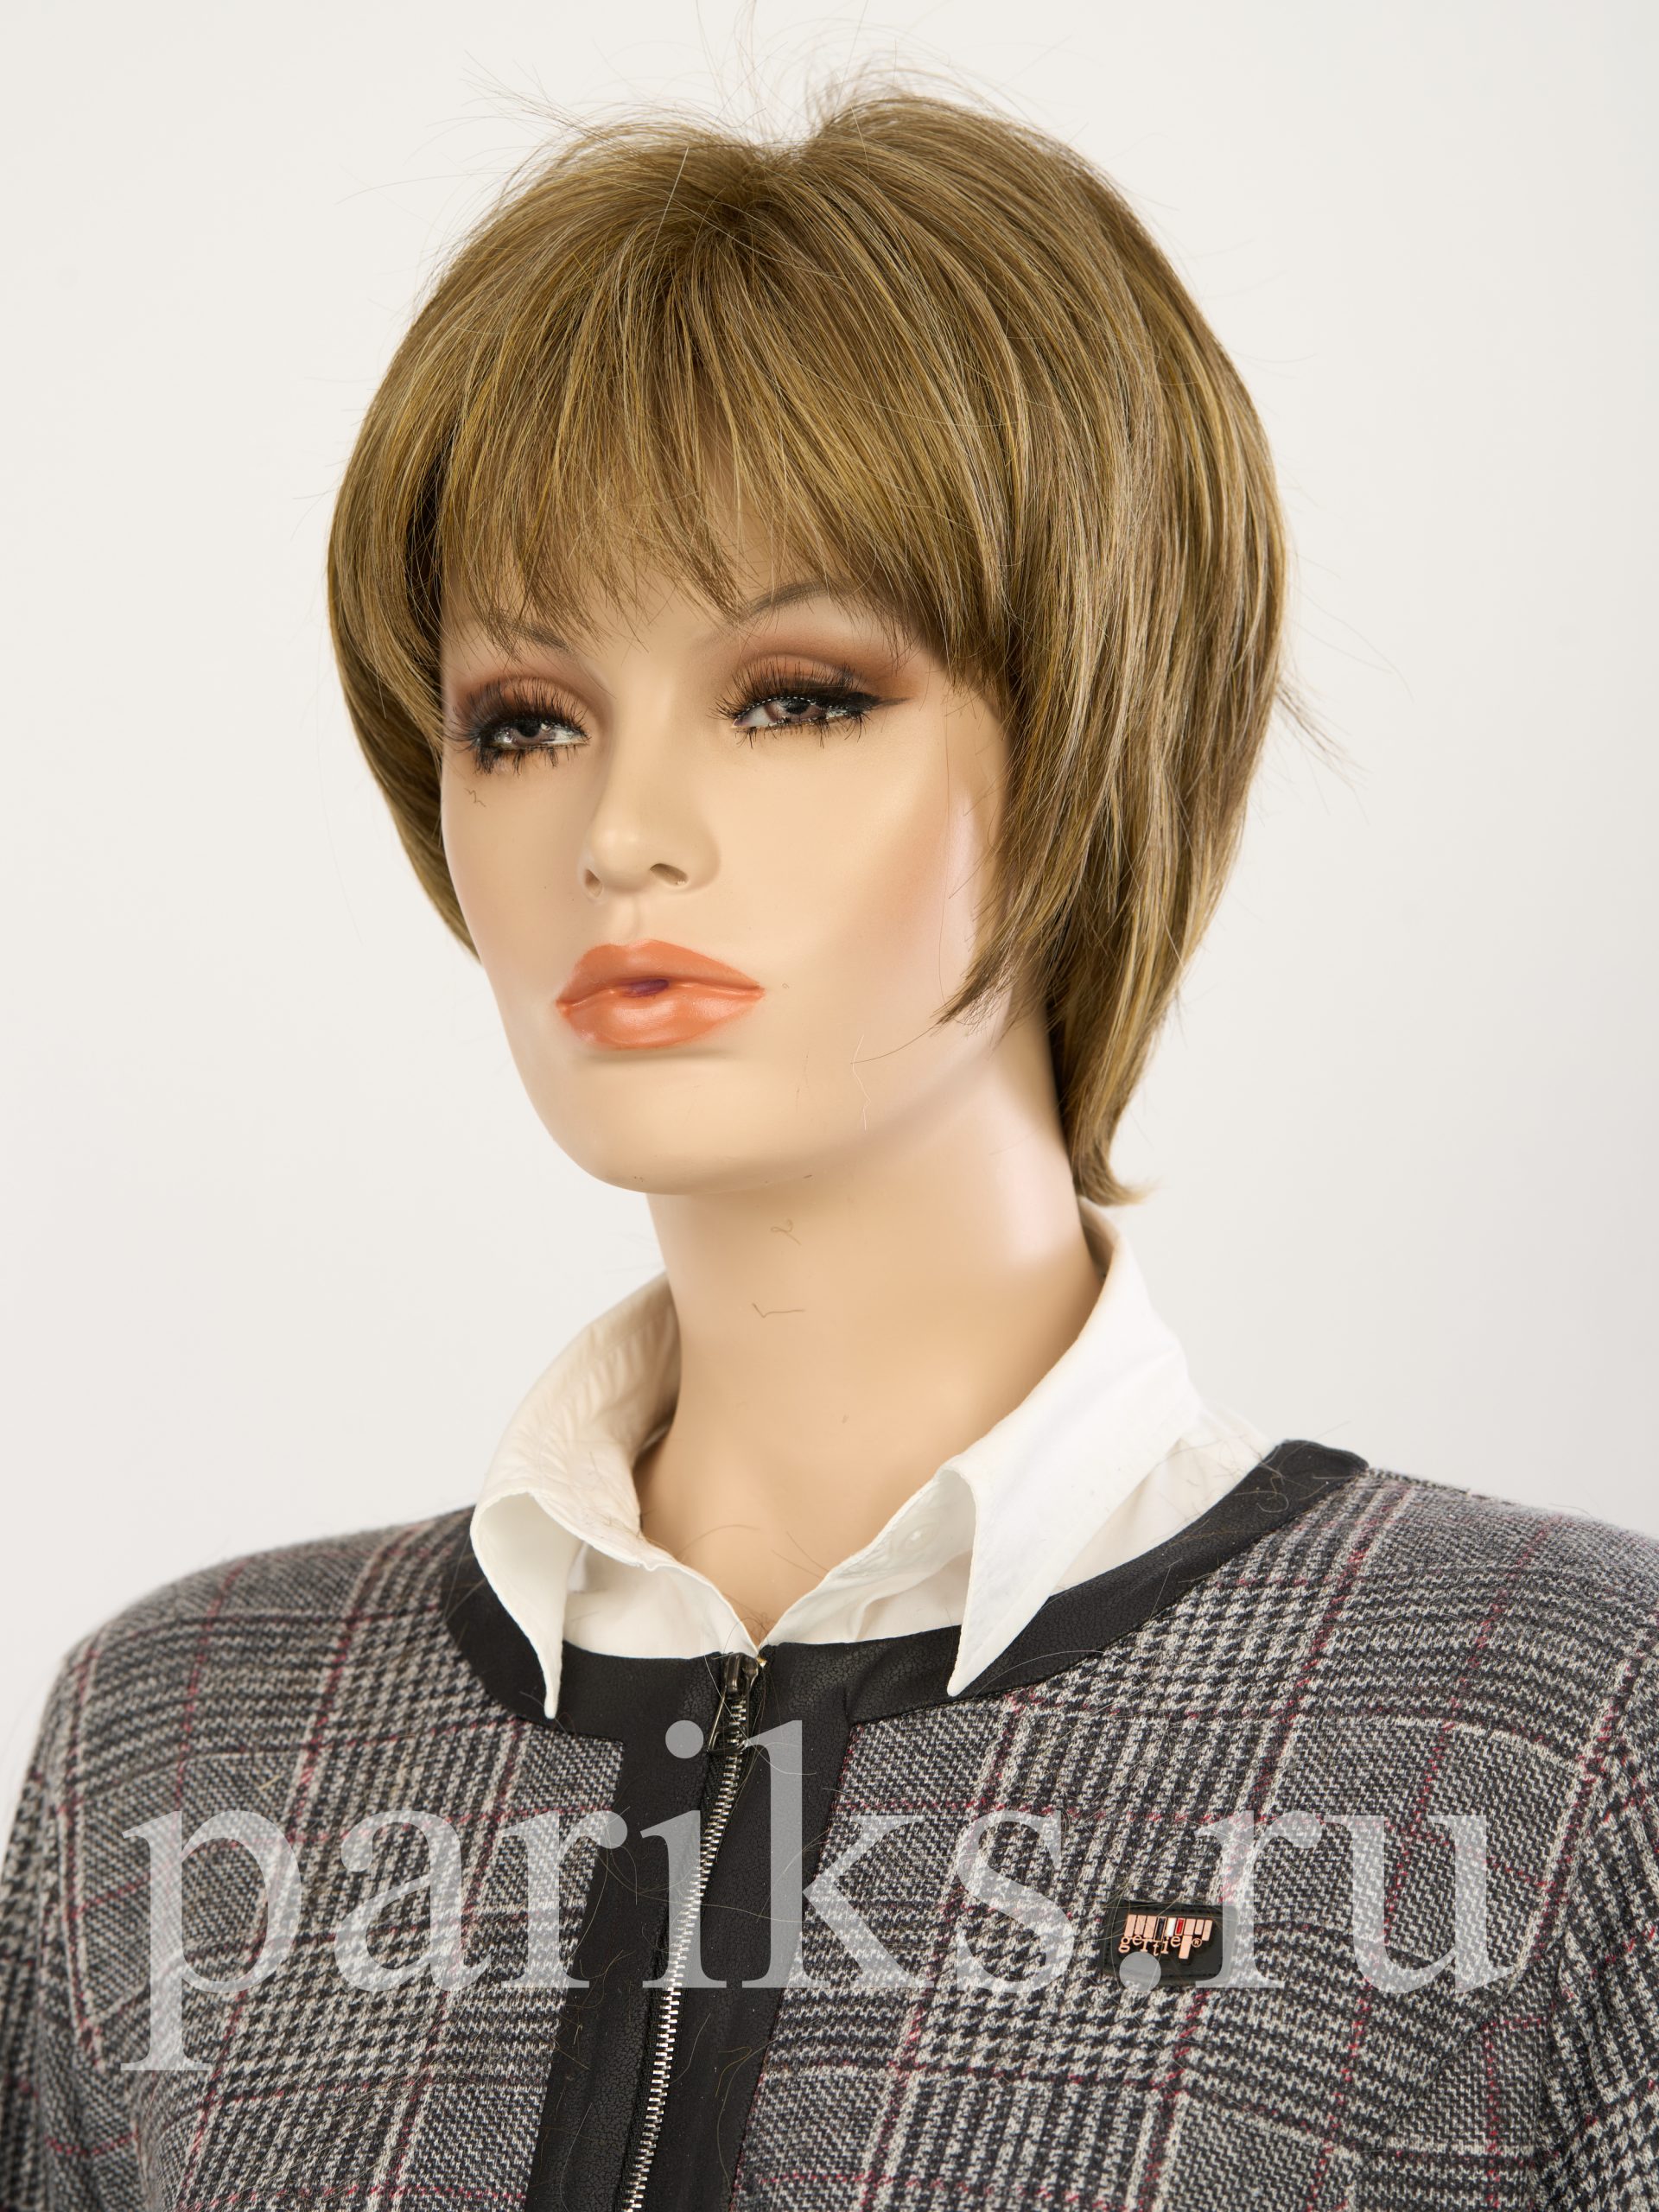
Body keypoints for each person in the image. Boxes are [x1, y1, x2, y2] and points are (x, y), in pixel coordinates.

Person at [3, 82, 1656, 2212]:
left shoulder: (1546, 1728)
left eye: (795, 694)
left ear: (1094, 726)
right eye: (524, 719)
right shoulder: (176, 1744)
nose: (621, 832)